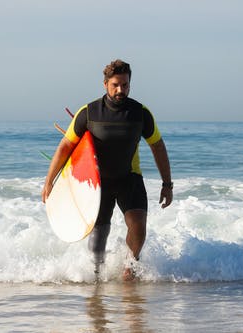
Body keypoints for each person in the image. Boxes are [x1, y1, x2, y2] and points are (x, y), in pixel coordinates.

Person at [42, 59, 173, 281]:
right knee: (97, 243)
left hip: (129, 178)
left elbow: (157, 146)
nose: (121, 90)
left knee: (139, 227)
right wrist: (49, 182)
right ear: (105, 84)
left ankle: (129, 270)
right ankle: (96, 278)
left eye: (125, 85)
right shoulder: (90, 113)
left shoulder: (140, 113)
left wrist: (167, 184)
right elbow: (66, 146)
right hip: (98, 184)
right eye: (115, 85)